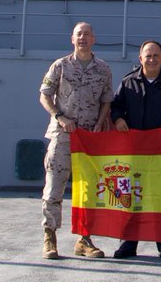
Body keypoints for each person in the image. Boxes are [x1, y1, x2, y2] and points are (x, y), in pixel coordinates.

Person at [38, 22, 113, 260]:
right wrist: (60, 117)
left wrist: (101, 122)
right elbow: (44, 96)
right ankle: (50, 237)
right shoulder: (60, 66)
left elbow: (106, 100)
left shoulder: (103, 69)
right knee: (54, 186)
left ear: (94, 39)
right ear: (72, 39)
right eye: (79, 34)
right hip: (63, 135)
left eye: (87, 34)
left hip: (90, 138)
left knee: (89, 190)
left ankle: (84, 239)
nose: (83, 38)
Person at [109, 40, 161, 260]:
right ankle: (127, 243)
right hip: (132, 152)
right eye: (147, 55)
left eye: (156, 55)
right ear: (140, 58)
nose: (151, 59)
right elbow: (116, 106)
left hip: (160, 152)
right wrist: (118, 119)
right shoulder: (127, 82)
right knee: (130, 197)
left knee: (160, 197)